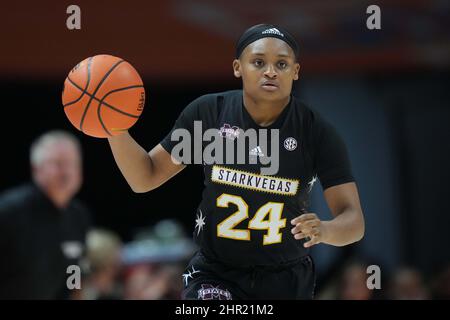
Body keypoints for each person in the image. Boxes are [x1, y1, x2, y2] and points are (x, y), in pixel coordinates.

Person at [108, 24, 365, 299]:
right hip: (215, 273)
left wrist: (325, 230)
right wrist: (113, 127)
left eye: (281, 63)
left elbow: (354, 222)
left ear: (296, 71)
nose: (270, 71)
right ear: (237, 67)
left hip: (286, 279)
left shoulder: (316, 132)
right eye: (258, 62)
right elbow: (144, 178)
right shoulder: (209, 114)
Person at [0, 130, 92, 299]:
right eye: (58, 163)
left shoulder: (78, 216)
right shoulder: (9, 211)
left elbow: (74, 273)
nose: (67, 172)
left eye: (72, 163)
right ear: (37, 169)